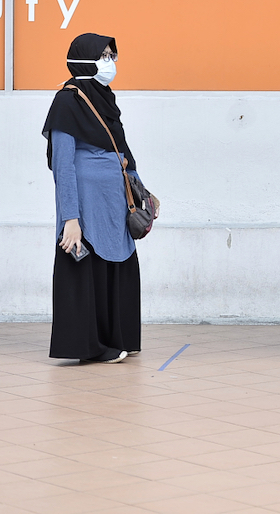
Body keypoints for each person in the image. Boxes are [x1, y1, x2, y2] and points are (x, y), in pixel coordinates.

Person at [42, 33, 152, 364]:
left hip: (114, 202)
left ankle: (119, 337)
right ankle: (87, 346)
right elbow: (63, 166)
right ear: (84, 60)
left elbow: (121, 153)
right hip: (86, 206)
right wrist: (70, 220)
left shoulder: (104, 99)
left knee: (118, 263)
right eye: (103, 56)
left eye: (111, 56)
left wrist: (143, 191)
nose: (110, 63)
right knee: (85, 267)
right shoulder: (66, 102)